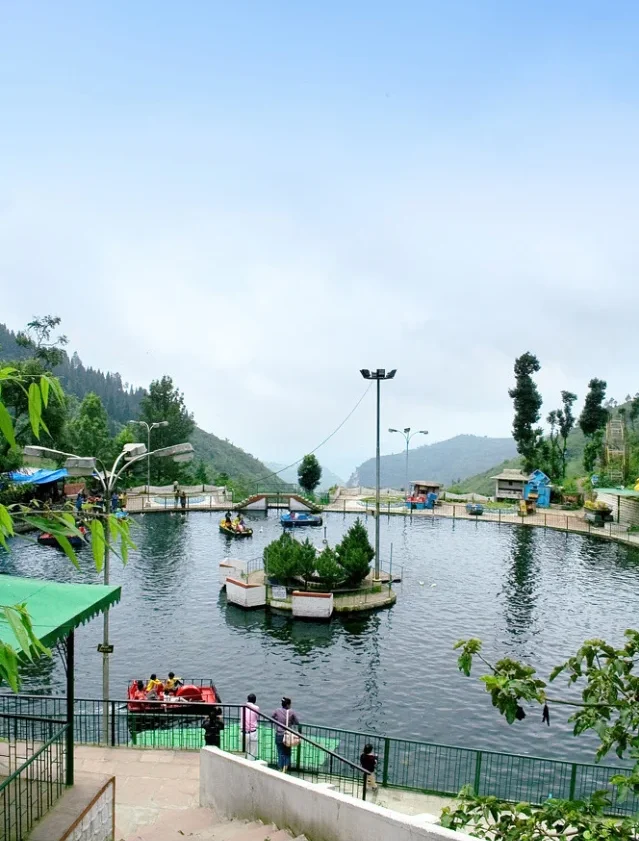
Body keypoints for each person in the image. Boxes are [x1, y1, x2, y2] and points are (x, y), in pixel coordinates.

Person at [271, 697, 299, 773]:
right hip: (287, 734)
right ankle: (285, 769)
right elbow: (297, 722)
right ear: (288, 705)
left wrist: (278, 721)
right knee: (287, 752)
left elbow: (272, 718)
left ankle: (280, 767)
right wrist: (290, 722)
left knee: (280, 752)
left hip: (279, 734)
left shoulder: (277, 710)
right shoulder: (291, 712)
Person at [241, 693, 260, 759]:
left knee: (243, 751)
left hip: (243, 732)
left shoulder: (242, 706)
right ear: (254, 700)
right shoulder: (256, 708)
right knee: (252, 752)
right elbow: (257, 717)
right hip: (252, 732)